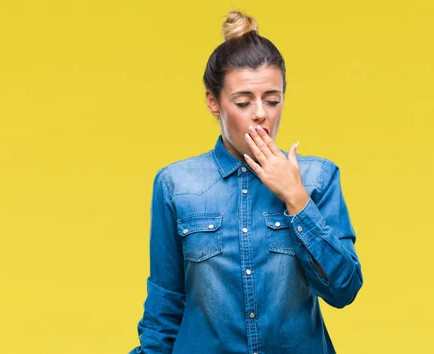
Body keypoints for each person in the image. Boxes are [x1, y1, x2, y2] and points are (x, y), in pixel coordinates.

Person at [129, 10, 363, 354]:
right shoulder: (175, 185)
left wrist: (296, 200)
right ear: (214, 102)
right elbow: (165, 307)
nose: (260, 113)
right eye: (243, 102)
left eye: (273, 100)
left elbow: (344, 288)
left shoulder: (317, 178)